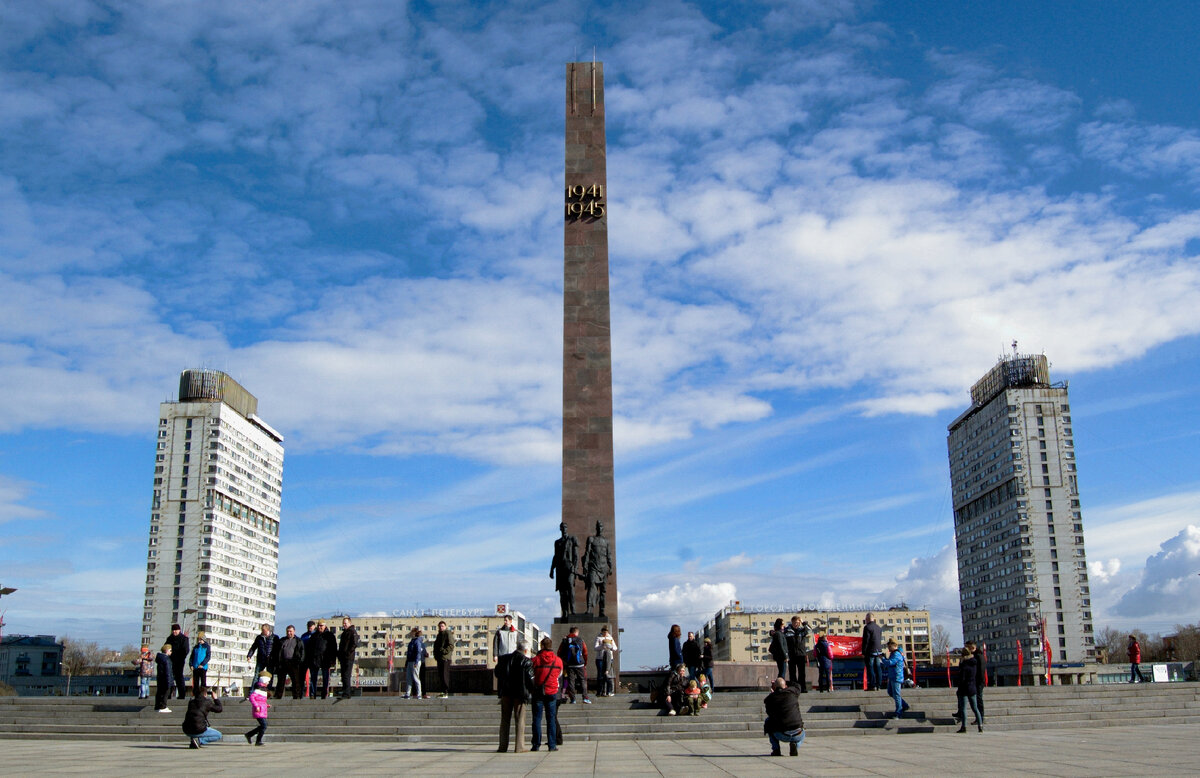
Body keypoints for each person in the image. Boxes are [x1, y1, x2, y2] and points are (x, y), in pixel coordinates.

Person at [495, 641, 535, 753]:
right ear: (526, 650)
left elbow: (497, 673)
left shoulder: (504, 659)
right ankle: (519, 746)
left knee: (504, 720)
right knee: (520, 720)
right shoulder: (527, 661)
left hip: (506, 693)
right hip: (520, 694)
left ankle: (502, 746)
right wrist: (532, 691)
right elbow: (530, 679)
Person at [531, 636, 563, 751]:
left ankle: (536, 744)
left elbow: (531, 675)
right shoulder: (558, 660)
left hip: (538, 691)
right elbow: (559, 675)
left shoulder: (535, 660)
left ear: (542, 646)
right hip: (552, 691)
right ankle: (552, 745)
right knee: (551, 719)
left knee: (537, 719)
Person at [763, 677, 806, 757]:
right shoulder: (792, 692)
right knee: (802, 729)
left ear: (774, 687)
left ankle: (776, 750)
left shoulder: (770, 698)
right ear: (786, 686)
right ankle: (796, 745)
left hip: (781, 734)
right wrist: (785, 682)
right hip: (798, 733)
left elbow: (769, 713)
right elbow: (798, 686)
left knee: (768, 721)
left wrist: (773, 693)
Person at [582, 520, 613, 617]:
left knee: (603, 591)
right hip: (593, 567)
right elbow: (587, 553)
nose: (600, 528)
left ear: (603, 528)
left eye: (601, 526)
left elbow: (609, 555)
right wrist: (585, 566)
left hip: (603, 568)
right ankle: (589, 608)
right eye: (598, 526)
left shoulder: (606, 541)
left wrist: (611, 566)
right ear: (596, 528)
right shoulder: (591, 539)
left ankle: (602, 611)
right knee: (591, 586)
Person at [550, 522, 580, 617]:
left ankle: (573, 610)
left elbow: (576, 555)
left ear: (567, 528)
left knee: (570, 587)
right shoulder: (557, 542)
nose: (564, 529)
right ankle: (565, 612)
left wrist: (574, 567)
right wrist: (552, 569)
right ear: (560, 529)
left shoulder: (572, 539)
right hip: (560, 569)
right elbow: (555, 556)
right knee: (562, 592)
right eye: (562, 527)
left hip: (569, 567)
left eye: (565, 527)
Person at [558, 626, 591, 704]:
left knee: (571, 681)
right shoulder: (580, 640)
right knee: (583, 680)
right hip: (580, 664)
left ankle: (573, 699)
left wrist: (564, 661)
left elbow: (559, 652)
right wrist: (584, 663)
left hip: (569, 664)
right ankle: (585, 697)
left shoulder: (565, 640)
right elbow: (585, 652)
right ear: (576, 632)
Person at [271, 625, 305, 699]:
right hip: (283, 662)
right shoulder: (282, 640)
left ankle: (296, 696)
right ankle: (278, 695)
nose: (289, 633)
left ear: (294, 631)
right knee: (280, 680)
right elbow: (277, 651)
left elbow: (302, 652)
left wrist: (300, 661)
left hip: (294, 663)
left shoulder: (298, 641)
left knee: (296, 681)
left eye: (290, 631)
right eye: (288, 631)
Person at [306, 620, 337, 699]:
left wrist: (333, 660)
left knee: (325, 677)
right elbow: (310, 649)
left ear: (325, 626)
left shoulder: (330, 635)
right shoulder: (314, 636)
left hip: (325, 659)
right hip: (315, 660)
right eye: (319, 626)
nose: (320, 627)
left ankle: (324, 694)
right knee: (313, 678)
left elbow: (333, 648)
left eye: (321, 626)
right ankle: (313, 694)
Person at [956, 647, 983, 732]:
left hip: (964, 688)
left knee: (963, 708)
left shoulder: (964, 665)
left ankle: (964, 727)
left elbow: (962, 678)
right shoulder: (974, 663)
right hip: (972, 687)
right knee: (975, 708)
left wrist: (960, 665)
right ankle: (980, 726)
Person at [246, 624, 277, 693]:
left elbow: (277, 649)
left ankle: (268, 691)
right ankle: (252, 691)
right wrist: (249, 655)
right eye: (262, 630)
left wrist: (276, 659)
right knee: (257, 675)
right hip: (261, 659)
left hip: (270, 660)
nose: (262, 631)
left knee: (270, 676)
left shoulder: (274, 637)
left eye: (263, 630)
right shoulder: (259, 638)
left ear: (268, 630)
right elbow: (253, 647)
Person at [884, 638, 910, 718]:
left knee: (896, 694)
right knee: (891, 692)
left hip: (896, 677)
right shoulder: (894, 653)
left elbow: (891, 663)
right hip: (892, 676)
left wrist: (883, 659)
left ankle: (899, 713)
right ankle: (904, 705)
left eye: (889, 647)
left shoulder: (897, 654)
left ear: (893, 645)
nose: (888, 648)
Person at [784, 617, 810, 692]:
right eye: (795, 622)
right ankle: (794, 688)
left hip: (801, 654)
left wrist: (803, 623)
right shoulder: (787, 631)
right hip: (791, 654)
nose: (796, 624)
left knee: (802, 673)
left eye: (798, 622)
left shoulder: (802, 631)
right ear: (792, 622)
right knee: (792, 673)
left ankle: (802, 688)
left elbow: (809, 630)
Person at [245, 672, 271, 745]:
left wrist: (266, 705)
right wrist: (256, 706)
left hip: (262, 710)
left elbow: (261, 701)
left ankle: (249, 735)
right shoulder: (258, 690)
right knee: (264, 725)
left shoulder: (263, 690)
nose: (268, 683)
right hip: (258, 710)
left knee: (263, 725)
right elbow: (251, 698)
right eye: (267, 682)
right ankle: (258, 740)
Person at [166, 623, 190, 700]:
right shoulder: (169, 638)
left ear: (179, 630)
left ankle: (181, 694)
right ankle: (169, 694)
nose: (174, 632)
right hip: (170, 660)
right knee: (170, 677)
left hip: (179, 660)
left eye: (176, 630)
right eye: (173, 630)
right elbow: (165, 647)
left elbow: (186, 650)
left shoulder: (184, 639)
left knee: (179, 677)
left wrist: (181, 657)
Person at [337, 617, 359, 699]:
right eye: (343, 623)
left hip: (348, 657)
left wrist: (347, 653)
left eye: (345, 623)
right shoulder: (344, 633)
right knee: (343, 675)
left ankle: (347, 693)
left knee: (346, 674)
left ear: (349, 623)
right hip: (343, 657)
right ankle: (345, 691)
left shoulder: (352, 632)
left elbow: (354, 644)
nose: (344, 625)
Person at [861, 613, 884, 691]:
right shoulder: (879, 628)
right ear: (873, 619)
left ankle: (872, 685)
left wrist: (863, 652)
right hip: (878, 651)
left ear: (867, 619)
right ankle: (879, 685)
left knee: (870, 668)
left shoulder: (867, 627)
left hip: (870, 651)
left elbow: (866, 641)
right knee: (878, 668)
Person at [403, 627, 427, 699]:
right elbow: (409, 653)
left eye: (411, 632)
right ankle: (407, 693)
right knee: (409, 678)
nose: (410, 633)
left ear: (414, 633)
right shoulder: (411, 641)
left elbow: (418, 652)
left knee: (416, 677)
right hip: (410, 661)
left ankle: (419, 694)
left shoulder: (417, 641)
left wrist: (416, 662)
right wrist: (407, 662)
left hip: (415, 661)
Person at [433, 620, 455, 698]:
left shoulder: (447, 633)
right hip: (440, 658)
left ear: (445, 626)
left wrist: (444, 651)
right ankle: (442, 691)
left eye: (442, 626)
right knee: (441, 675)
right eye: (439, 626)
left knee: (444, 675)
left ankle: (445, 692)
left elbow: (451, 645)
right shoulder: (439, 635)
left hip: (445, 658)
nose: (441, 627)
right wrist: (436, 655)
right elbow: (436, 646)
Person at [965, 640, 985, 724]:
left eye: (967, 646)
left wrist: (979, 681)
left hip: (978, 681)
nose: (966, 648)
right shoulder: (975, 655)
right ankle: (979, 718)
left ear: (972, 647)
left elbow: (981, 670)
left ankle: (980, 718)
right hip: (975, 681)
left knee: (978, 699)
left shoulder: (978, 655)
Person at [594, 626, 618, 697]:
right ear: (602, 632)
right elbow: (595, 648)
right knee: (600, 675)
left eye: (606, 632)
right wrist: (602, 646)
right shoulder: (598, 638)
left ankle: (608, 691)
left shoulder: (610, 638)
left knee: (608, 675)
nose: (605, 634)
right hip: (600, 658)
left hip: (609, 658)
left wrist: (611, 647)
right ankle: (600, 691)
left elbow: (615, 648)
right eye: (604, 632)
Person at [189, 632, 211, 697]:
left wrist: (202, 664)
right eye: (198, 640)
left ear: (204, 639)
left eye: (201, 640)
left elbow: (208, 657)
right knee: (196, 682)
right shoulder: (196, 647)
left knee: (203, 682)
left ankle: (203, 694)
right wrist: (191, 665)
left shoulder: (207, 647)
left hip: (202, 667)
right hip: (195, 667)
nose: (199, 641)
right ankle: (196, 694)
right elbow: (192, 657)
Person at [154, 643, 175, 712]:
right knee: (166, 693)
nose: (171, 652)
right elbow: (168, 671)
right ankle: (163, 707)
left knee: (159, 692)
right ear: (167, 650)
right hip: (166, 680)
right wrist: (170, 682)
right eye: (170, 650)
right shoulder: (166, 659)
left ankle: (157, 706)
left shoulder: (160, 658)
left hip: (160, 679)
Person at [299, 620, 317, 696]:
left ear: (314, 626)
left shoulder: (316, 635)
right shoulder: (304, 636)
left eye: (311, 626)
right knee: (302, 676)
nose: (309, 627)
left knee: (313, 677)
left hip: (313, 658)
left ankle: (313, 693)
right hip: (305, 658)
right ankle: (300, 692)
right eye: (308, 626)